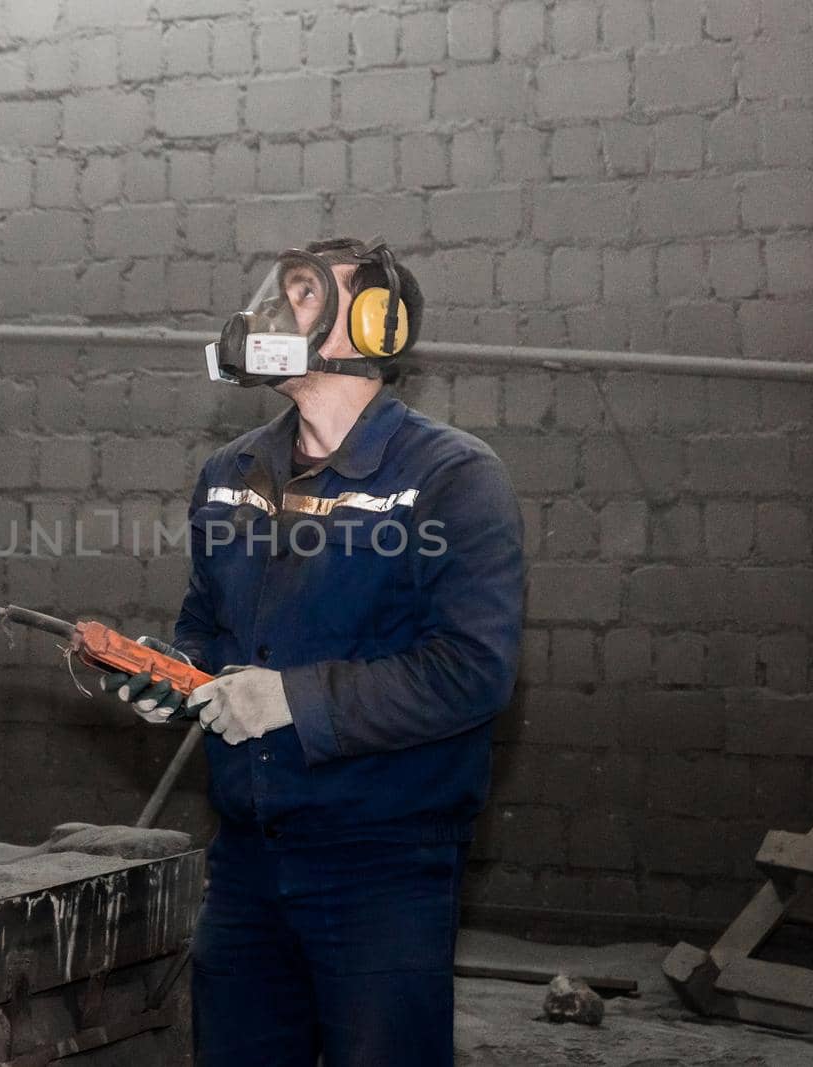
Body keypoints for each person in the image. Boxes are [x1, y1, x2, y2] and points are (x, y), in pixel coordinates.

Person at [103, 236, 525, 1066]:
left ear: (372, 322)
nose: (271, 309)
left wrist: (291, 697)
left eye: (300, 295)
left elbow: (473, 671)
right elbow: (207, 621)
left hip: (385, 866)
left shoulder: (451, 479)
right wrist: (175, 672)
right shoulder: (233, 470)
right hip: (249, 861)